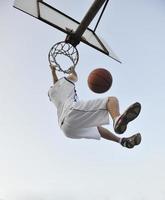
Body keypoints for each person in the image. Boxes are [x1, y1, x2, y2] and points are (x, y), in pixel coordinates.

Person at [48, 64, 142, 149]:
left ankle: (122, 141)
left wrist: (53, 71)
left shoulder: (52, 94)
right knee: (111, 100)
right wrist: (72, 71)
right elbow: (73, 77)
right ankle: (117, 119)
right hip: (70, 113)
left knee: (97, 128)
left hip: (67, 130)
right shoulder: (64, 83)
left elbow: (56, 83)